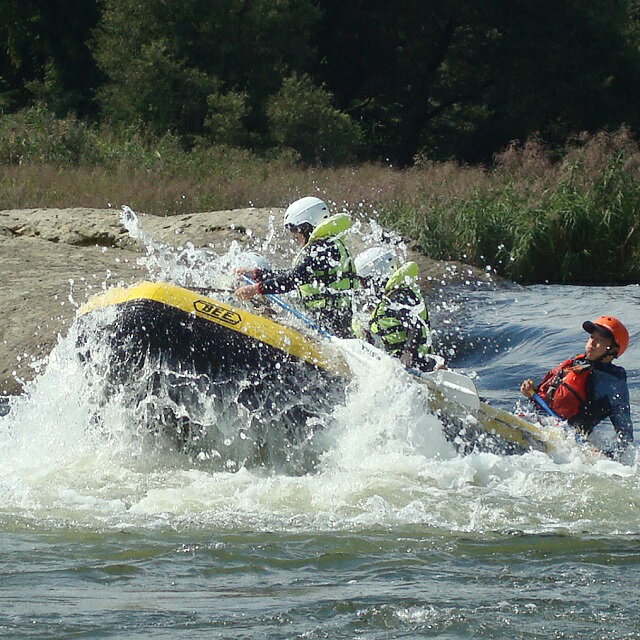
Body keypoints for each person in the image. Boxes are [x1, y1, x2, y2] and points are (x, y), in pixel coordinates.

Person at [234, 196, 357, 338]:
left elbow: (294, 279)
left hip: (332, 327)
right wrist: (258, 274)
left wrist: (256, 289)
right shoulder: (329, 245)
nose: (293, 235)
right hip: (332, 321)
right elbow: (296, 274)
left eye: (293, 229)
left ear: (306, 226)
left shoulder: (324, 248)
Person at [520, 315, 633, 458]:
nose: (592, 344)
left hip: (569, 440)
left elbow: (625, 436)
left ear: (613, 350)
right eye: (592, 338)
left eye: (600, 341)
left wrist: (608, 456)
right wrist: (531, 392)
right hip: (544, 423)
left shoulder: (613, 384)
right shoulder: (577, 364)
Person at [354, 246, 439, 372]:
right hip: (410, 361)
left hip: (415, 365)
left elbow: (415, 327)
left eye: (364, 282)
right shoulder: (392, 296)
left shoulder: (397, 297)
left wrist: (408, 355)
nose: (363, 287)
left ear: (375, 276)